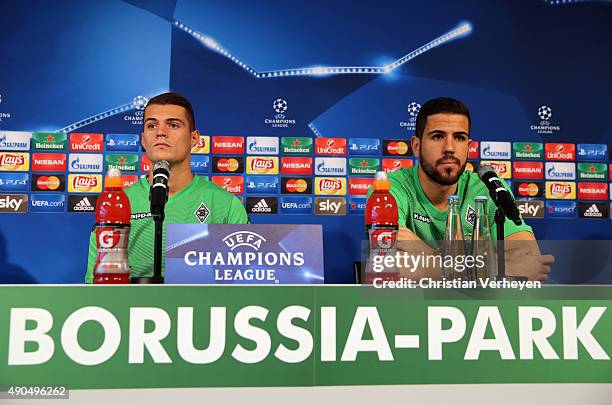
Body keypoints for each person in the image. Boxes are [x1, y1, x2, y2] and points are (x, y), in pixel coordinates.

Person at [371, 97, 554, 282]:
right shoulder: (388, 191)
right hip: (410, 308)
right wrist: (489, 268)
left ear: (468, 146)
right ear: (417, 146)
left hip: (479, 309)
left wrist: (427, 256)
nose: (449, 148)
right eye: (438, 136)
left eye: (459, 137)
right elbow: (390, 265)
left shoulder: (488, 189)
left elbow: (527, 261)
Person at [85, 92, 248, 283]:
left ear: (194, 138)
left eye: (173, 125)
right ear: (144, 139)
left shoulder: (225, 204)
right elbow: (95, 288)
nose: (160, 132)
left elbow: (243, 284)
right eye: (152, 125)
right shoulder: (119, 205)